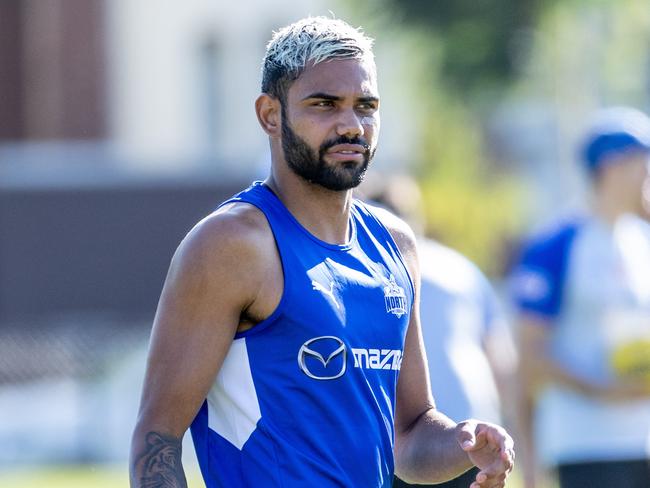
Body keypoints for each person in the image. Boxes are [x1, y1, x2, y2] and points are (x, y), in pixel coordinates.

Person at [129, 17, 514, 488]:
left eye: (365, 106)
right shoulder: (232, 244)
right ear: (271, 115)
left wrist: (465, 442)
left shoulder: (395, 245)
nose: (351, 125)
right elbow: (157, 439)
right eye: (324, 105)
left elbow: (409, 436)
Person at [510, 106, 650, 488]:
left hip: (644, 442)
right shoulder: (556, 245)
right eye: (642, 164)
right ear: (611, 167)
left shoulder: (642, 239)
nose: (648, 176)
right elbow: (531, 357)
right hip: (585, 444)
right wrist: (607, 392)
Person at [361, 175, 517, 488]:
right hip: (472, 435)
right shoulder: (462, 268)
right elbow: (500, 357)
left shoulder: (359, 271)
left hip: (402, 439)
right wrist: (512, 427)